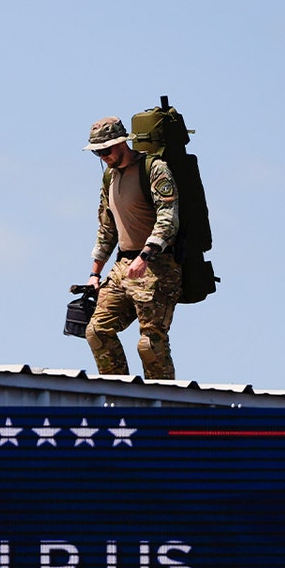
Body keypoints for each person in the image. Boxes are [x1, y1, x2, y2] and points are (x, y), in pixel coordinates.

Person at [82, 116, 182, 379]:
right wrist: (94, 273)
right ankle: (119, 394)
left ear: (122, 143)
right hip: (122, 268)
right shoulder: (109, 178)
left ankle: (164, 406)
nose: (104, 156)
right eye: (98, 152)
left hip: (157, 266)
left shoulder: (154, 169)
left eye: (107, 150)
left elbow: (168, 217)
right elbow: (107, 229)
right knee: (97, 331)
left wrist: (146, 255)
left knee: (150, 344)